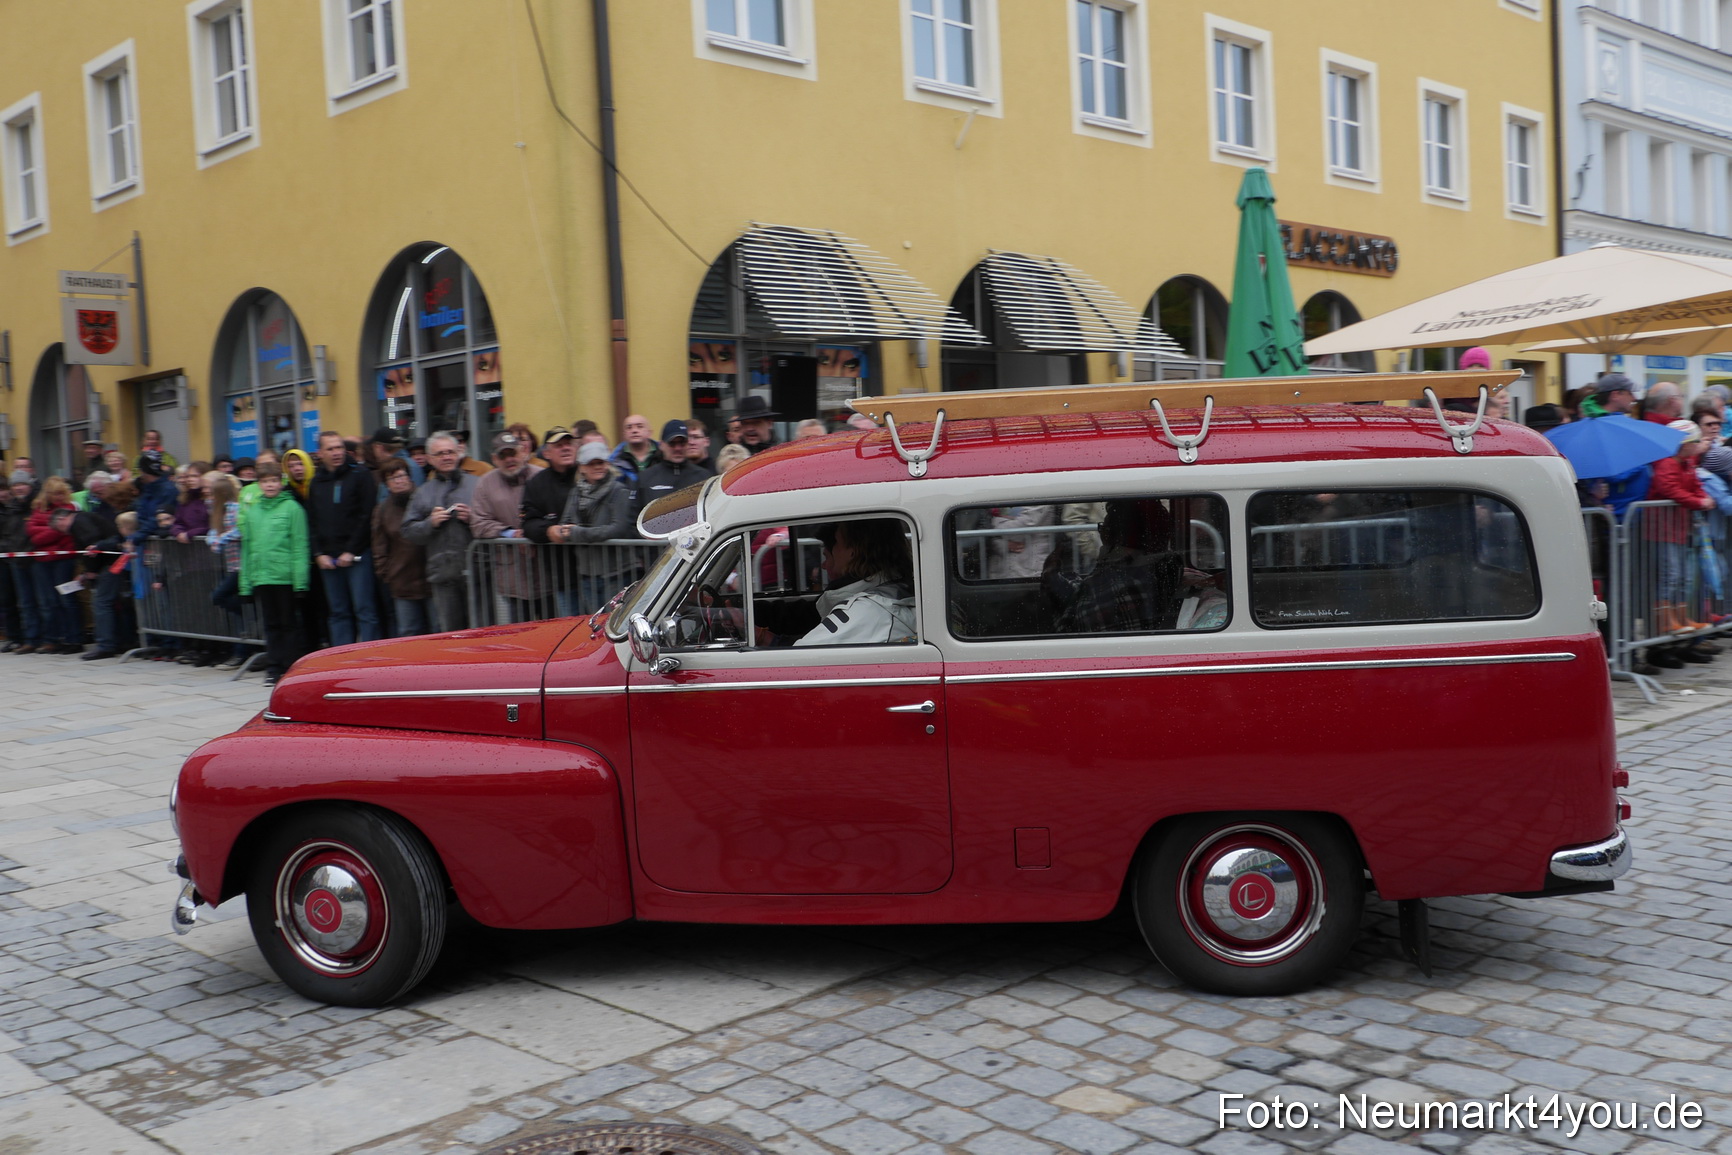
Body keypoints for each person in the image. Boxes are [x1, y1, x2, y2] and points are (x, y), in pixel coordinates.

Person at [1054, 499, 1186, 634]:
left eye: (1103, 527)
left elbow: (1067, 635)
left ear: (1109, 534)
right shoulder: (1172, 567)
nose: (1101, 532)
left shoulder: (1103, 593)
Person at [780, 519, 916, 647]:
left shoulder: (869, 608)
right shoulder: (894, 591)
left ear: (854, 551)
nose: (823, 565)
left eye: (837, 542)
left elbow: (800, 658)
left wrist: (771, 640)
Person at [307, 430, 381, 646]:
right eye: (330, 449)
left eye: (339, 447)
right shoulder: (317, 482)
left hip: (357, 555)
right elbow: (312, 520)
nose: (336, 452)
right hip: (328, 558)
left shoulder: (360, 474)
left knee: (365, 610)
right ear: (320, 453)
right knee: (338, 612)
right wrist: (318, 553)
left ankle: (371, 660)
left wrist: (352, 550)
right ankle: (341, 661)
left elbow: (367, 515)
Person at [238, 463, 310, 685]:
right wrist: (245, 584)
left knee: (288, 624)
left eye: (274, 481)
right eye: (265, 481)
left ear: (281, 482)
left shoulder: (292, 509)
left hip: (285, 576)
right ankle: (274, 666)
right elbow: (248, 548)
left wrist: (301, 582)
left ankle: (289, 666)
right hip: (262, 576)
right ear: (259, 485)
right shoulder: (254, 511)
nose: (270, 485)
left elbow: (300, 545)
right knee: (270, 624)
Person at [401, 432, 479, 633]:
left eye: (450, 452)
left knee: (482, 630)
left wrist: (472, 518)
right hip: (443, 574)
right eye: (440, 453)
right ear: (430, 459)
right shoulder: (423, 492)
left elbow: (494, 522)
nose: (446, 457)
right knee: (452, 635)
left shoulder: (477, 484)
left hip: (478, 572)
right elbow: (408, 530)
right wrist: (430, 523)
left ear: (459, 453)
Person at [550, 442, 634, 615]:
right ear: (582, 467)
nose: (598, 467)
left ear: (608, 464)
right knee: (595, 624)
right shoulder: (576, 492)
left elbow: (618, 529)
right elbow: (565, 522)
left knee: (614, 623)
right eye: (591, 463)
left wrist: (577, 532)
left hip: (615, 572)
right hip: (587, 572)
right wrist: (565, 531)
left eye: (601, 462)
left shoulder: (618, 490)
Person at [470, 431, 545, 621]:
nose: (509, 459)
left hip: (546, 571)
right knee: (521, 632)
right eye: (503, 455)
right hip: (512, 575)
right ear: (494, 459)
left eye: (513, 453)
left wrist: (538, 533)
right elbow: (478, 522)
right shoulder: (485, 483)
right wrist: (510, 534)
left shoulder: (541, 476)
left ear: (522, 452)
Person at [371, 458, 431, 636]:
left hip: (430, 577)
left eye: (401, 475)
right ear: (386, 485)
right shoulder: (382, 510)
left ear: (410, 477)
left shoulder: (425, 500)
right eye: (392, 478)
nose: (399, 481)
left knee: (437, 630)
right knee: (408, 632)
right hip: (401, 580)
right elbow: (379, 546)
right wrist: (385, 572)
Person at [26, 477, 82, 654]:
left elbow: (63, 532)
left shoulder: (70, 508)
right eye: (54, 493)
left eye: (61, 493)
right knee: (48, 602)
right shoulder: (38, 508)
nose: (58, 497)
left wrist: (45, 532)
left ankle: (74, 639)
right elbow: (32, 535)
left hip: (64, 560)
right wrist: (54, 529)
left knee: (66, 599)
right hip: (42, 561)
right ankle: (53, 639)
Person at [635, 420, 716, 517]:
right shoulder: (646, 478)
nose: (677, 448)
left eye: (682, 443)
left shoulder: (704, 477)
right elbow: (633, 518)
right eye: (672, 443)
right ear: (661, 445)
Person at [1, 471, 41, 653]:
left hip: (35, 558)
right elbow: (8, 534)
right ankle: (30, 639)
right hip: (15, 559)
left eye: (21, 484)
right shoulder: (11, 508)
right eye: (15, 485)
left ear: (29, 485)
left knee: (42, 600)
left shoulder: (37, 505)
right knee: (24, 602)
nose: (18, 488)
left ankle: (46, 637)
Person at [610, 413, 661, 484]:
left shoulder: (664, 455)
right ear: (624, 434)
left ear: (649, 432)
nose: (634, 430)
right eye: (629, 427)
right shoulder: (615, 461)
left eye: (639, 426)